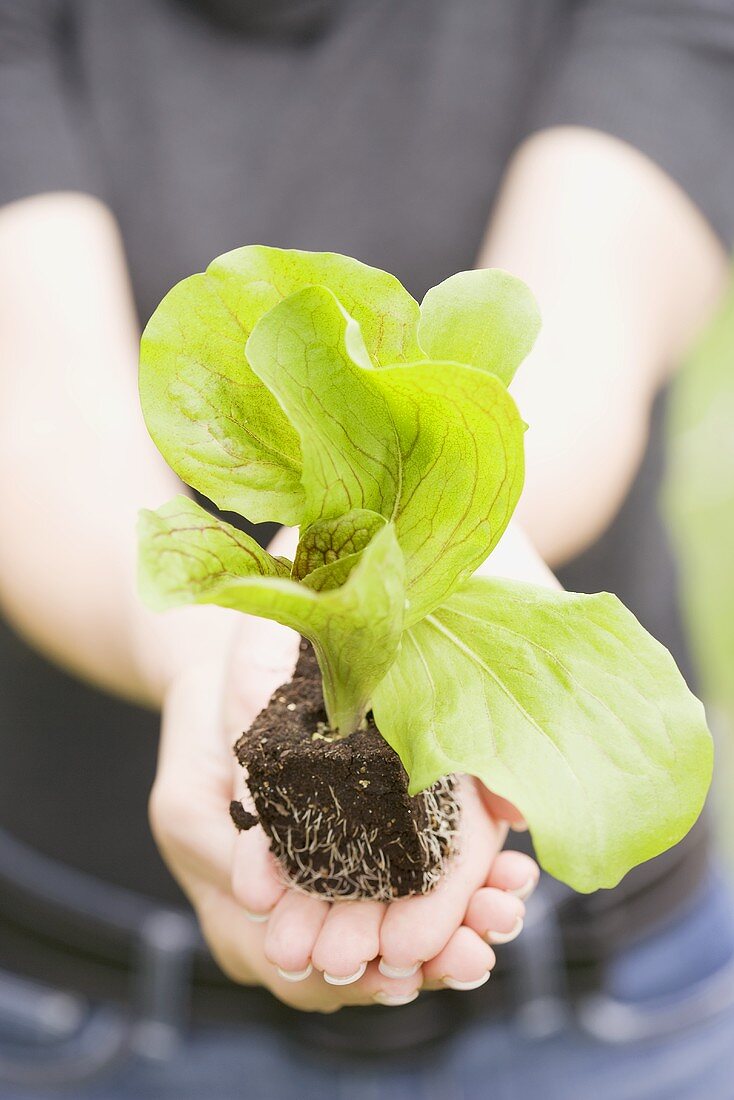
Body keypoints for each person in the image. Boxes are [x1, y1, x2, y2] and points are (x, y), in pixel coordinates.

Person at [0, 1, 733, 1096]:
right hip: (78, 1007)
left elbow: (595, 294)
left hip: (617, 1012)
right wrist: (205, 653)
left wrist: (457, 534)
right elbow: (33, 405)